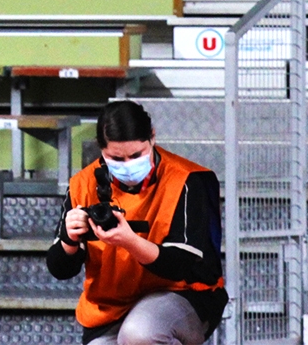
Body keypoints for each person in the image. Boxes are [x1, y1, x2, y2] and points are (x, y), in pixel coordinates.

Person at [47, 100, 227, 345]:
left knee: (139, 334)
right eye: (115, 158)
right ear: (101, 150)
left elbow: (182, 266)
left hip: (182, 295)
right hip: (111, 308)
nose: (127, 165)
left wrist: (130, 241)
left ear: (152, 138)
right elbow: (60, 269)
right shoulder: (82, 184)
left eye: (136, 155)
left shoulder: (189, 180)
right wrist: (69, 239)